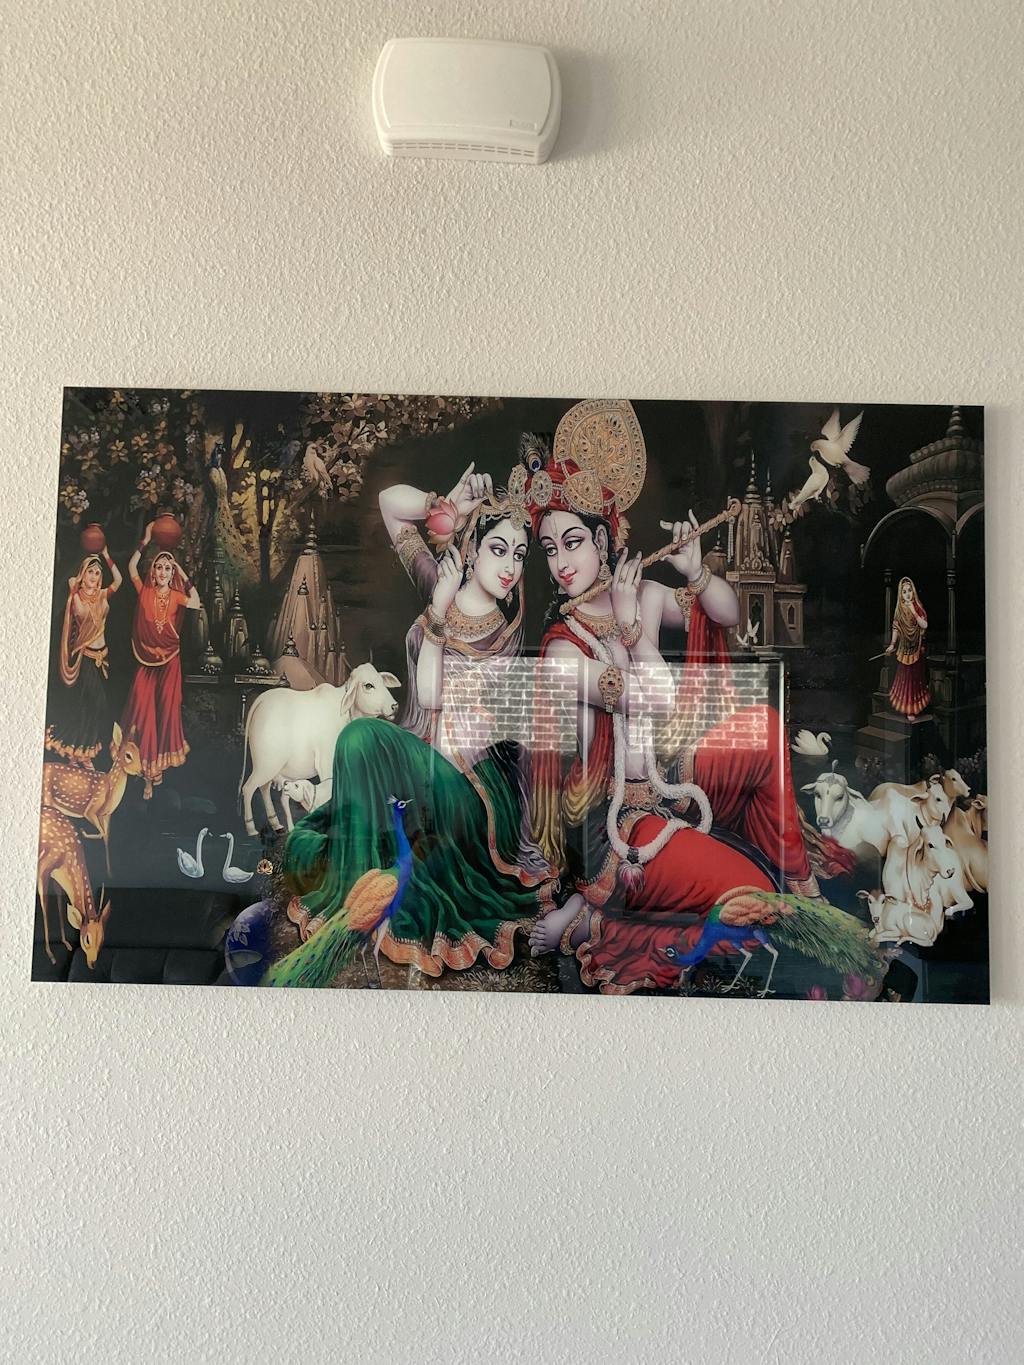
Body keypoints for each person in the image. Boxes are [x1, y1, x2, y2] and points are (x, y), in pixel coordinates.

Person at [524, 401, 817, 994]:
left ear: (603, 540)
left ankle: (808, 889)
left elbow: (727, 613)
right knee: (751, 898)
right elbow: (656, 698)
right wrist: (633, 629)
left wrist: (695, 571)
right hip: (622, 822)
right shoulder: (562, 650)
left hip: (677, 779)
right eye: (550, 550)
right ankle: (594, 918)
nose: (561, 564)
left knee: (763, 725)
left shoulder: (647, 595)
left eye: (573, 543)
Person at [266, 460, 554, 986]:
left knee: (360, 737)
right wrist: (443, 504)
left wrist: (438, 615)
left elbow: (428, 694)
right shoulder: (438, 580)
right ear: (470, 548)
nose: (510, 566)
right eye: (498, 549)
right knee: (336, 802)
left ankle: (366, 897)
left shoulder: (504, 633)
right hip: (423, 761)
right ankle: (359, 890)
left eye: (519, 554)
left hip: (468, 786)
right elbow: (389, 506)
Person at [120, 522, 201, 798]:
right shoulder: (144, 591)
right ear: (153, 572)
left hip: (170, 661)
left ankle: (156, 771)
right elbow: (131, 567)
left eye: (168, 568)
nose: (163, 572)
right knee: (142, 709)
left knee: (165, 709)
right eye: (159, 567)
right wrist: (145, 540)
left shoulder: (177, 596)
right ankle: (142, 770)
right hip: (145, 660)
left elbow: (196, 602)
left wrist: (181, 570)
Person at [45, 548, 122, 767]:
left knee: (89, 708)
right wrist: (73, 588)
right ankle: (76, 751)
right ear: (82, 574)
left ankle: (81, 754)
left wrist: (107, 556)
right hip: (85, 657)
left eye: (97, 573)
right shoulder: (76, 598)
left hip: (102, 658)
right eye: (90, 572)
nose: (94, 576)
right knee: (95, 703)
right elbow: (79, 613)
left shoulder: (103, 595)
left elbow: (119, 580)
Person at [886, 576, 930, 718]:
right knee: (904, 678)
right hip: (904, 649)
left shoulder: (917, 606)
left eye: (910, 590)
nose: (907, 594)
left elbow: (924, 625)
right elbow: (896, 628)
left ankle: (913, 709)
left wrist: (914, 612)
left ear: (913, 591)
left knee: (915, 679)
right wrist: (892, 644)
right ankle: (904, 707)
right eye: (904, 592)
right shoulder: (899, 610)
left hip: (917, 648)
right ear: (901, 594)